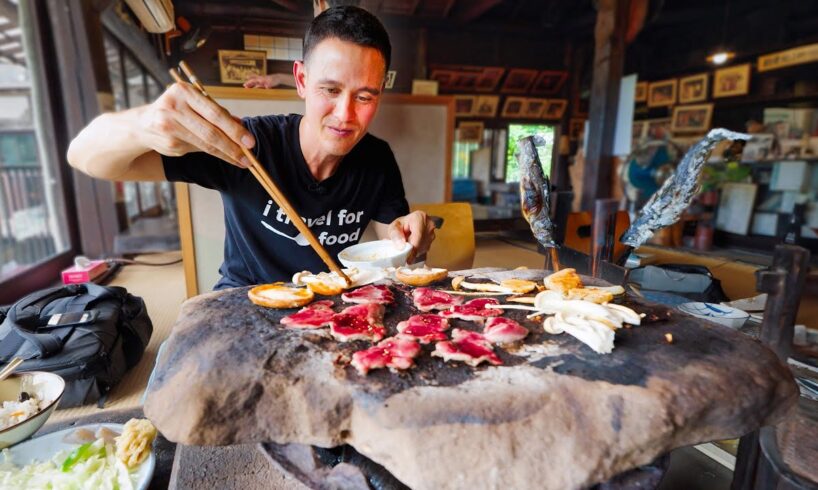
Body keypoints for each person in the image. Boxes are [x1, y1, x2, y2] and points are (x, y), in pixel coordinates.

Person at [67, 6, 435, 290]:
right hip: (244, 302)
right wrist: (141, 125)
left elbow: (392, 239)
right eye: (331, 90)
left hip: (328, 304)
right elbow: (85, 158)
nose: (345, 115)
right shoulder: (246, 145)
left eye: (365, 96)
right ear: (302, 80)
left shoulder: (377, 158)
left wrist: (409, 232)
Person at [243, 0, 361, 89]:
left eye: (313, 6)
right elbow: (314, 80)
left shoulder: (333, 41)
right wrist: (277, 78)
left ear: (320, 3)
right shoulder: (354, 35)